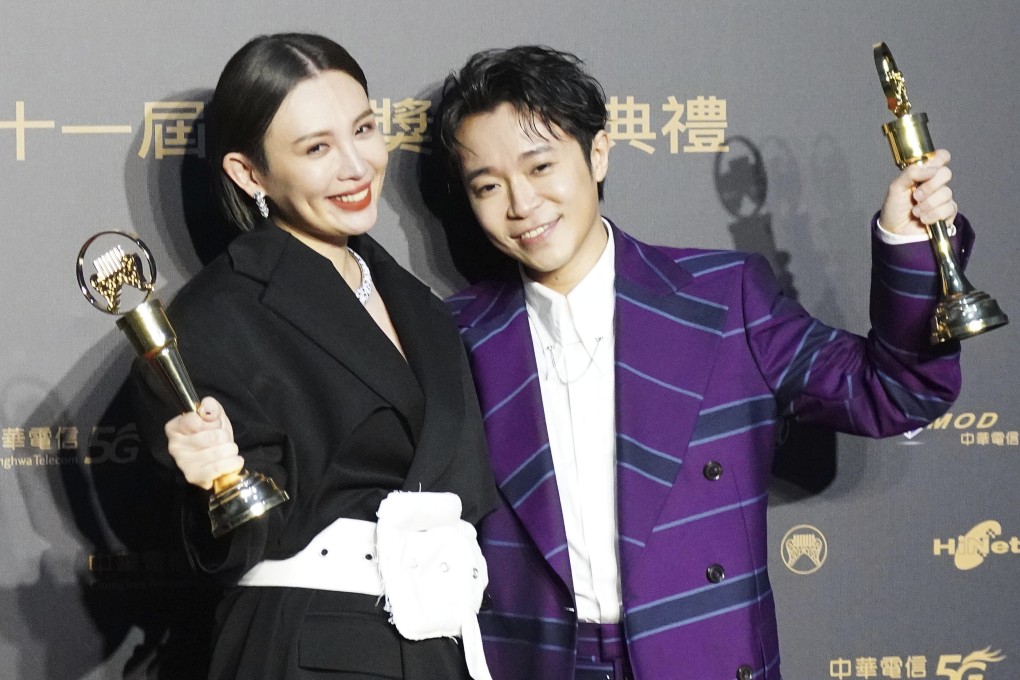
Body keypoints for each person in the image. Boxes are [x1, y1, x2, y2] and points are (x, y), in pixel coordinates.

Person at [432, 46, 968, 680]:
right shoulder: (452, 335)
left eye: (541, 165)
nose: (521, 203)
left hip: (700, 656)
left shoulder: (723, 297)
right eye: (488, 186)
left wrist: (908, 243)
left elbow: (897, 391)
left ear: (597, 153)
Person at [131, 33, 497, 680]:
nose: (356, 167)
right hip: (309, 650)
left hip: (439, 647)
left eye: (363, 129)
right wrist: (213, 479)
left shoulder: (419, 304)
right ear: (250, 174)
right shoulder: (217, 317)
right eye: (317, 148)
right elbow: (237, 539)